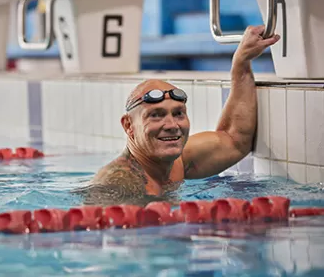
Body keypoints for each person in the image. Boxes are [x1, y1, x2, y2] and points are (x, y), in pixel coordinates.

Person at [74, 25, 280, 206]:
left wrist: (241, 62)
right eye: (156, 115)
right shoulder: (117, 185)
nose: (172, 124)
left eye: (178, 113)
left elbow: (234, 140)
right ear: (128, 125)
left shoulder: (177, 162)